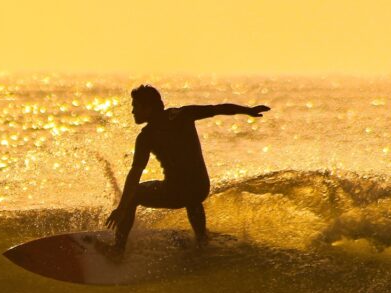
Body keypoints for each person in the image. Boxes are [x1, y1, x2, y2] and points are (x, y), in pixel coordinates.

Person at [102, 85, 270, 257]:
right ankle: (201, 239)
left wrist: (122, 207)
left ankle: (118, 249)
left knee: (135, 194)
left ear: (148, 108)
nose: (132, 111)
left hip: (176, 192)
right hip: (200, 187)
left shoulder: (146, 137)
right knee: (192, 197)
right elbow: (217, 109)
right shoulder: (182, 114)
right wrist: (248, 111)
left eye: (135, 106)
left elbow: (135, 173)